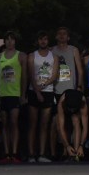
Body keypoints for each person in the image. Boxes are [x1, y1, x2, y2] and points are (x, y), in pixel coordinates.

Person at [27, 31, 59, 163]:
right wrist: (37, 90)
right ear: (38, 41)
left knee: (44, 124)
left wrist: (44, 85)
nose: (43, 42)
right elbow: (30, 74)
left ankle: (42, 154)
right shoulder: (32, 56)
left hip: (48, 91)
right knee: (33, 124)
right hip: (33, 91)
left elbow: (54, 75)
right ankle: (30, 154)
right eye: (41, 39)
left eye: (45, 39)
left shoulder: (54, 57)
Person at [0, 31, 27, 163]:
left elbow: (25, 76)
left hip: (15, 94)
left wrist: (23, 94)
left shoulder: (20, 56)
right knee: (4, 124)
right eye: (7, 39)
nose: (10, 42)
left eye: (12, 39)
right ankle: (6, 152)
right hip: (2, 94)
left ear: (15, 41)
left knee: (14, 123)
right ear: (4, 41)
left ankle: (14, 152)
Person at [57, 89, 89, 161]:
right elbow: (61, 127)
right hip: (65, 107)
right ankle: (65, 152)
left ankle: (76, 152)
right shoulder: (62, 102)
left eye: (73, 109)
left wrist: (81, 145)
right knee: (60, 125)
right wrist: (67, 146)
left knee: (76, 121)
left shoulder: (83, 103)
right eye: (71, 109)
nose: (72, 111)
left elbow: (85, 127)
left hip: (77, 108)